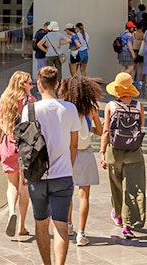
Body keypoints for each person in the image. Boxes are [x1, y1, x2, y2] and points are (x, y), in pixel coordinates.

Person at [20, 65, 78, 265]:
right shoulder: (70, 108)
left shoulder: (30, 110)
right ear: (58, 84)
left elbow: (24, 146)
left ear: (38, 85)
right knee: (61, 225)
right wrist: (68, 167)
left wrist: (24, 174)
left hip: (38, 176)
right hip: (62, 175)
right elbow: (74, 145)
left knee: (41, 224)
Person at [99, 72, 146, 237]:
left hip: (114, 152)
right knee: (132, 188)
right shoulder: (139, 105)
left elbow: (105, 131)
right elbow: (140, 127)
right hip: (134, 152)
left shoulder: (111, 106)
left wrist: (102, 152)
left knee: (116, 187)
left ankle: (118, 215)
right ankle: (128, 224)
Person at [58, 75, 103, 246]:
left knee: (67, 192)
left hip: (68, 154)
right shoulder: (91, 109)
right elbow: (99, 130)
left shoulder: (66, 109)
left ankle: (69, 225)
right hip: (86, 153)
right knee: (84, 196)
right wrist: (89, 127)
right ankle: (82, 234)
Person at [0, 71, 34, 240]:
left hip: (8, 146)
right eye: (29, 83)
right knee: (24, 186)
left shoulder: (4, 101)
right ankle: (22, 226)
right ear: (22, 85)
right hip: (26, 148)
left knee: (12, 184)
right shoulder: (30, 102)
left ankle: (11, 212)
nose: (31, 84)